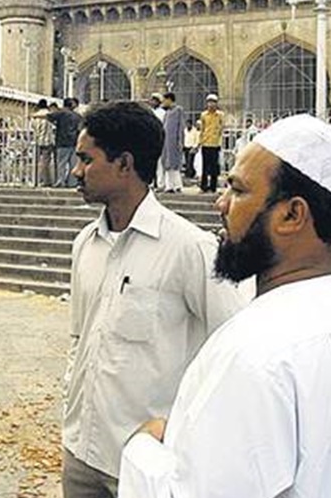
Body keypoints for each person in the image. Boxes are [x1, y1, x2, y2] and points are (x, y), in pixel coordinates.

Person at [118, 114, 331, 498]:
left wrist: (142, 447)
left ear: (291, 215)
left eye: (237, 190)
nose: (221, 203)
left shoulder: (258, 351)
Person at [62, 101, 249, 497]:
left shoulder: (189, 249)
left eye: (86, 159)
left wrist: (185, 433)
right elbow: (80, 339)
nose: (76, 171)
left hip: (148, 465)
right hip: (81, 453)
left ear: (124, 164)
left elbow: (235, 353)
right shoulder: (85, 245)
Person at [50, 98, 81, 188]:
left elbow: (49, 116)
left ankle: (61, 181)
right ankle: (72, 182)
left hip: (62, 142)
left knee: (61, 163)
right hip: (74, 142)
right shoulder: (77, 116)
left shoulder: (61, 114)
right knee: (73, 163)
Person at [159, 93, 185, 193]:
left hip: (174, 141)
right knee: (166, 163)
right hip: (166, 142)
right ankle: (169, 186)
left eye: (165, 100)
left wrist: (180, 140)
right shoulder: (167, 112)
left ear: (170, 100)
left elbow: (181, 127)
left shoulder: (178, 110)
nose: (164, 102)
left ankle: (177, 185)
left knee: (174, 164)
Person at [198, 93, 224, 193]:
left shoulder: (220, 115)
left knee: (214, 167)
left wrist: (219, 141)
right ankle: (203, 186)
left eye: (213, 102)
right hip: (205, 143)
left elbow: (221, 129)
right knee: (205, 166)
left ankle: (213, 187)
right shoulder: (203, 115)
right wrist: (200, 142)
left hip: (215, 143)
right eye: (209, 102)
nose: (211, 105)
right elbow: (202, 130)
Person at [31, 100, 55, 186]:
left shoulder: (35, 116)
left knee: (36, 162)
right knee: (46, 162)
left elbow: (32, 128)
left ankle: (36, 180)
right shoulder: (50, 115)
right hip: (47, 141)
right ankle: (46, 181)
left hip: (37, 141)